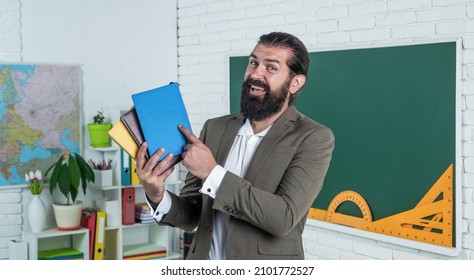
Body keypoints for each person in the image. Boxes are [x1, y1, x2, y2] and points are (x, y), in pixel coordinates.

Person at [135, 32, 335, 260]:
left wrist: (212, 173)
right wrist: (156, 194)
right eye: (253, 63)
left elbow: (283, 218)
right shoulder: (215, 128)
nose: (255, 73)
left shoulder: (313, 138)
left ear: (295, 83)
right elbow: (193, 215)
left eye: (271, 68)